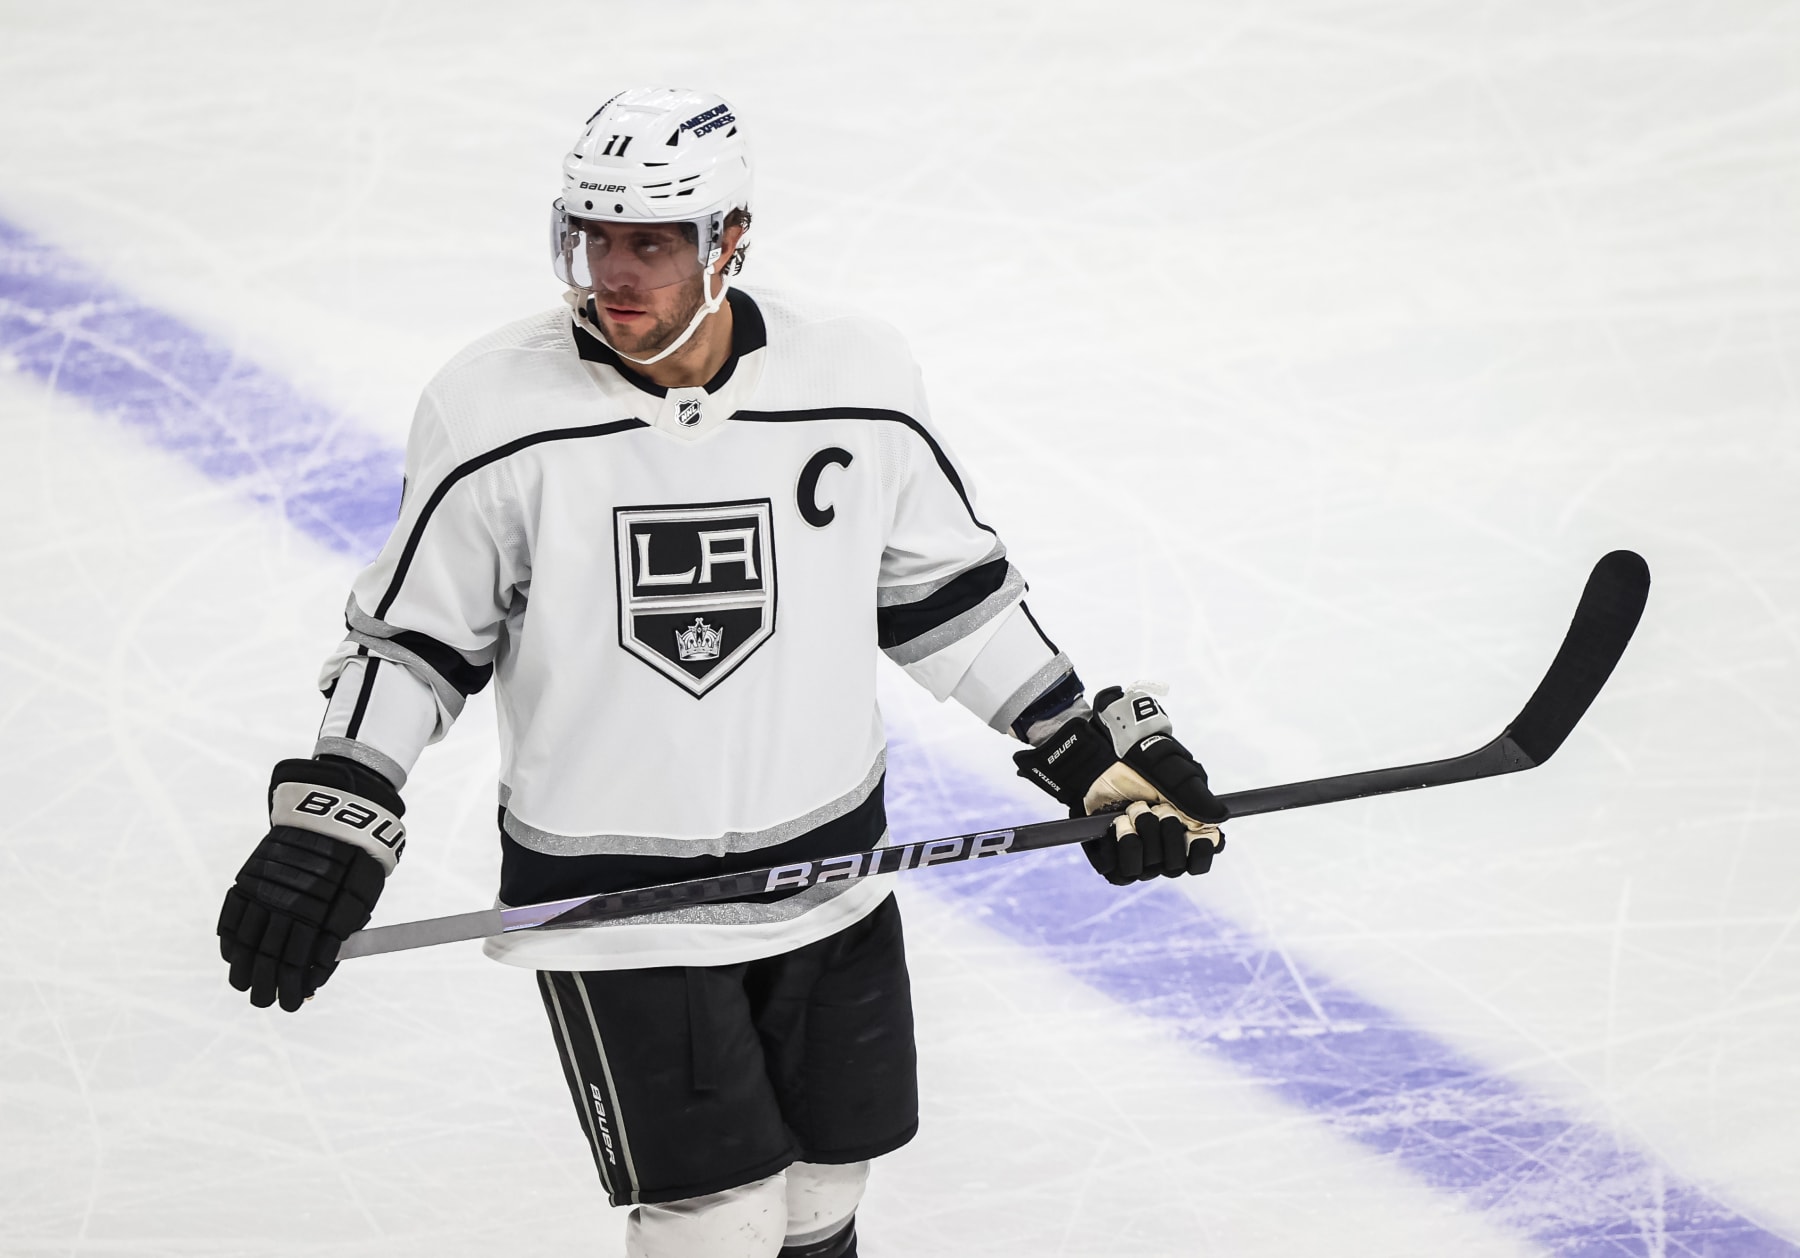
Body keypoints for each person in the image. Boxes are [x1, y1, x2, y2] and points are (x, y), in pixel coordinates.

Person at [216, 86, 1228, 1258]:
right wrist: (343, 801)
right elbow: (417, 641)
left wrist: (1084, 749)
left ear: (729, 240)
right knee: (715, 1216)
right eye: (596, 236)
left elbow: (940, 599)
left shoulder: (853, 380)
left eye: (651, 241)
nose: (614, 272)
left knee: (820, 1196)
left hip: (830, 873)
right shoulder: (494, 409)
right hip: (621, 905)